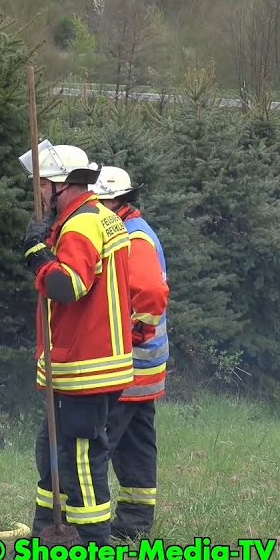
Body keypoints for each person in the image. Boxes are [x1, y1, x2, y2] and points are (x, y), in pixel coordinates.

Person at [19, 141, 133, 547]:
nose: (39, 192)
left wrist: (37, 255)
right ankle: (47, 532)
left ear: (61, 186)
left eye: (43, 184)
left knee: (81, 454)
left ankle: (89, 543)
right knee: (52, 449)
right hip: (92, 358)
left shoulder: (82, 224)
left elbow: (68, 285)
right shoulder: (101, 217)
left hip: (87, 362)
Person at [90, 166, 169, 540]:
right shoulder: (135, 230)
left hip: (130, 363)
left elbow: (151, 293)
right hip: (147, 365)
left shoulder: (133, 238)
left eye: (98, 202)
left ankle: (89, 525)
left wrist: (132, 333)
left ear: (113, 202)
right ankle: (135, 522)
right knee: (137, 441)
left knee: (98, 440)